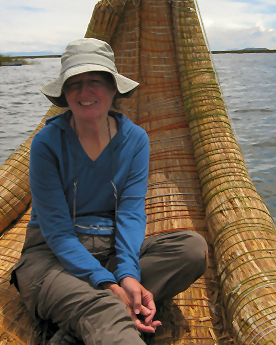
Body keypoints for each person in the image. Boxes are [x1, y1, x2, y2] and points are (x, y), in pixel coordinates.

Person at [11, 38, 208, 345]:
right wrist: (106, 284)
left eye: (95, 81)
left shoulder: (135, 140)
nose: (85, 92)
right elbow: (58, 233)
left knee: (191, 249)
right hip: (51, 257)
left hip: (111, 251)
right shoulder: (48, 143)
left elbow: (130, 213)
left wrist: (128, 275)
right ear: (64, 92)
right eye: (74, 83)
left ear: (114, 88)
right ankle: (103, 311)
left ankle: (80, 323)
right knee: (105, 305)